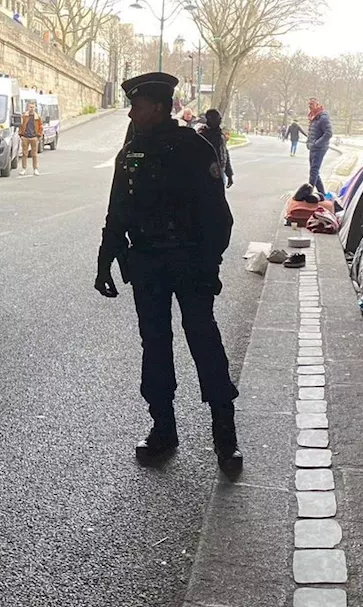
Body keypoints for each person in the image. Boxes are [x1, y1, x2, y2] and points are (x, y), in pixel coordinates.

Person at [94, 72, 242, 472]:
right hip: (147, 265)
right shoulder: (130, 153)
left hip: (189, 262)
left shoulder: (195, 148)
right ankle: (163, 427)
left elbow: (218, 217)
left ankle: (224, 435)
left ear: (158, 107)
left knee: (204, 342)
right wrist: (105, 259)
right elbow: (117, 211)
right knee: (154, 345)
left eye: (137, 107)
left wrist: (208, 264)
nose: (132, 113)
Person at [198, 109, 234, 189]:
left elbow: (225, 153)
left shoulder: (220, 135)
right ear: (209, 119)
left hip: (221, 171)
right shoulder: (202, 136)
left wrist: (229, 174)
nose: (220, 120)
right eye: (217, 118)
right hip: (207, 173)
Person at [306, 98, 333, 195]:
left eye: (312, 104)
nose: (310, 106)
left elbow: (329, 133)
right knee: (314, 171)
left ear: (318, 105)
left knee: (314, 171)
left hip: (320, 148)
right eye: (309, 105)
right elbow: (311, 132)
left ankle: (308, 192)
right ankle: (323, 193)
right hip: (313, 147)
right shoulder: (313, 117)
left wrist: (316, 143)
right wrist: (309, 143)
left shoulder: (323, 117)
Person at [19, 102, 42, 176]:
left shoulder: (37, 117)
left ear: (35, 108)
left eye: (33, 107)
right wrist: (21, 135)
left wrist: (38, 136)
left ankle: (35, 169)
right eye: (30, 107)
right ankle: (24, 169)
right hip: (25, 137)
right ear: (28, 108)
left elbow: (40, 127)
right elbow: (21, 125)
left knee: (34, 154)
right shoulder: (24, 116)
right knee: (24, 154)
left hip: (33, 137)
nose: (31, 108)